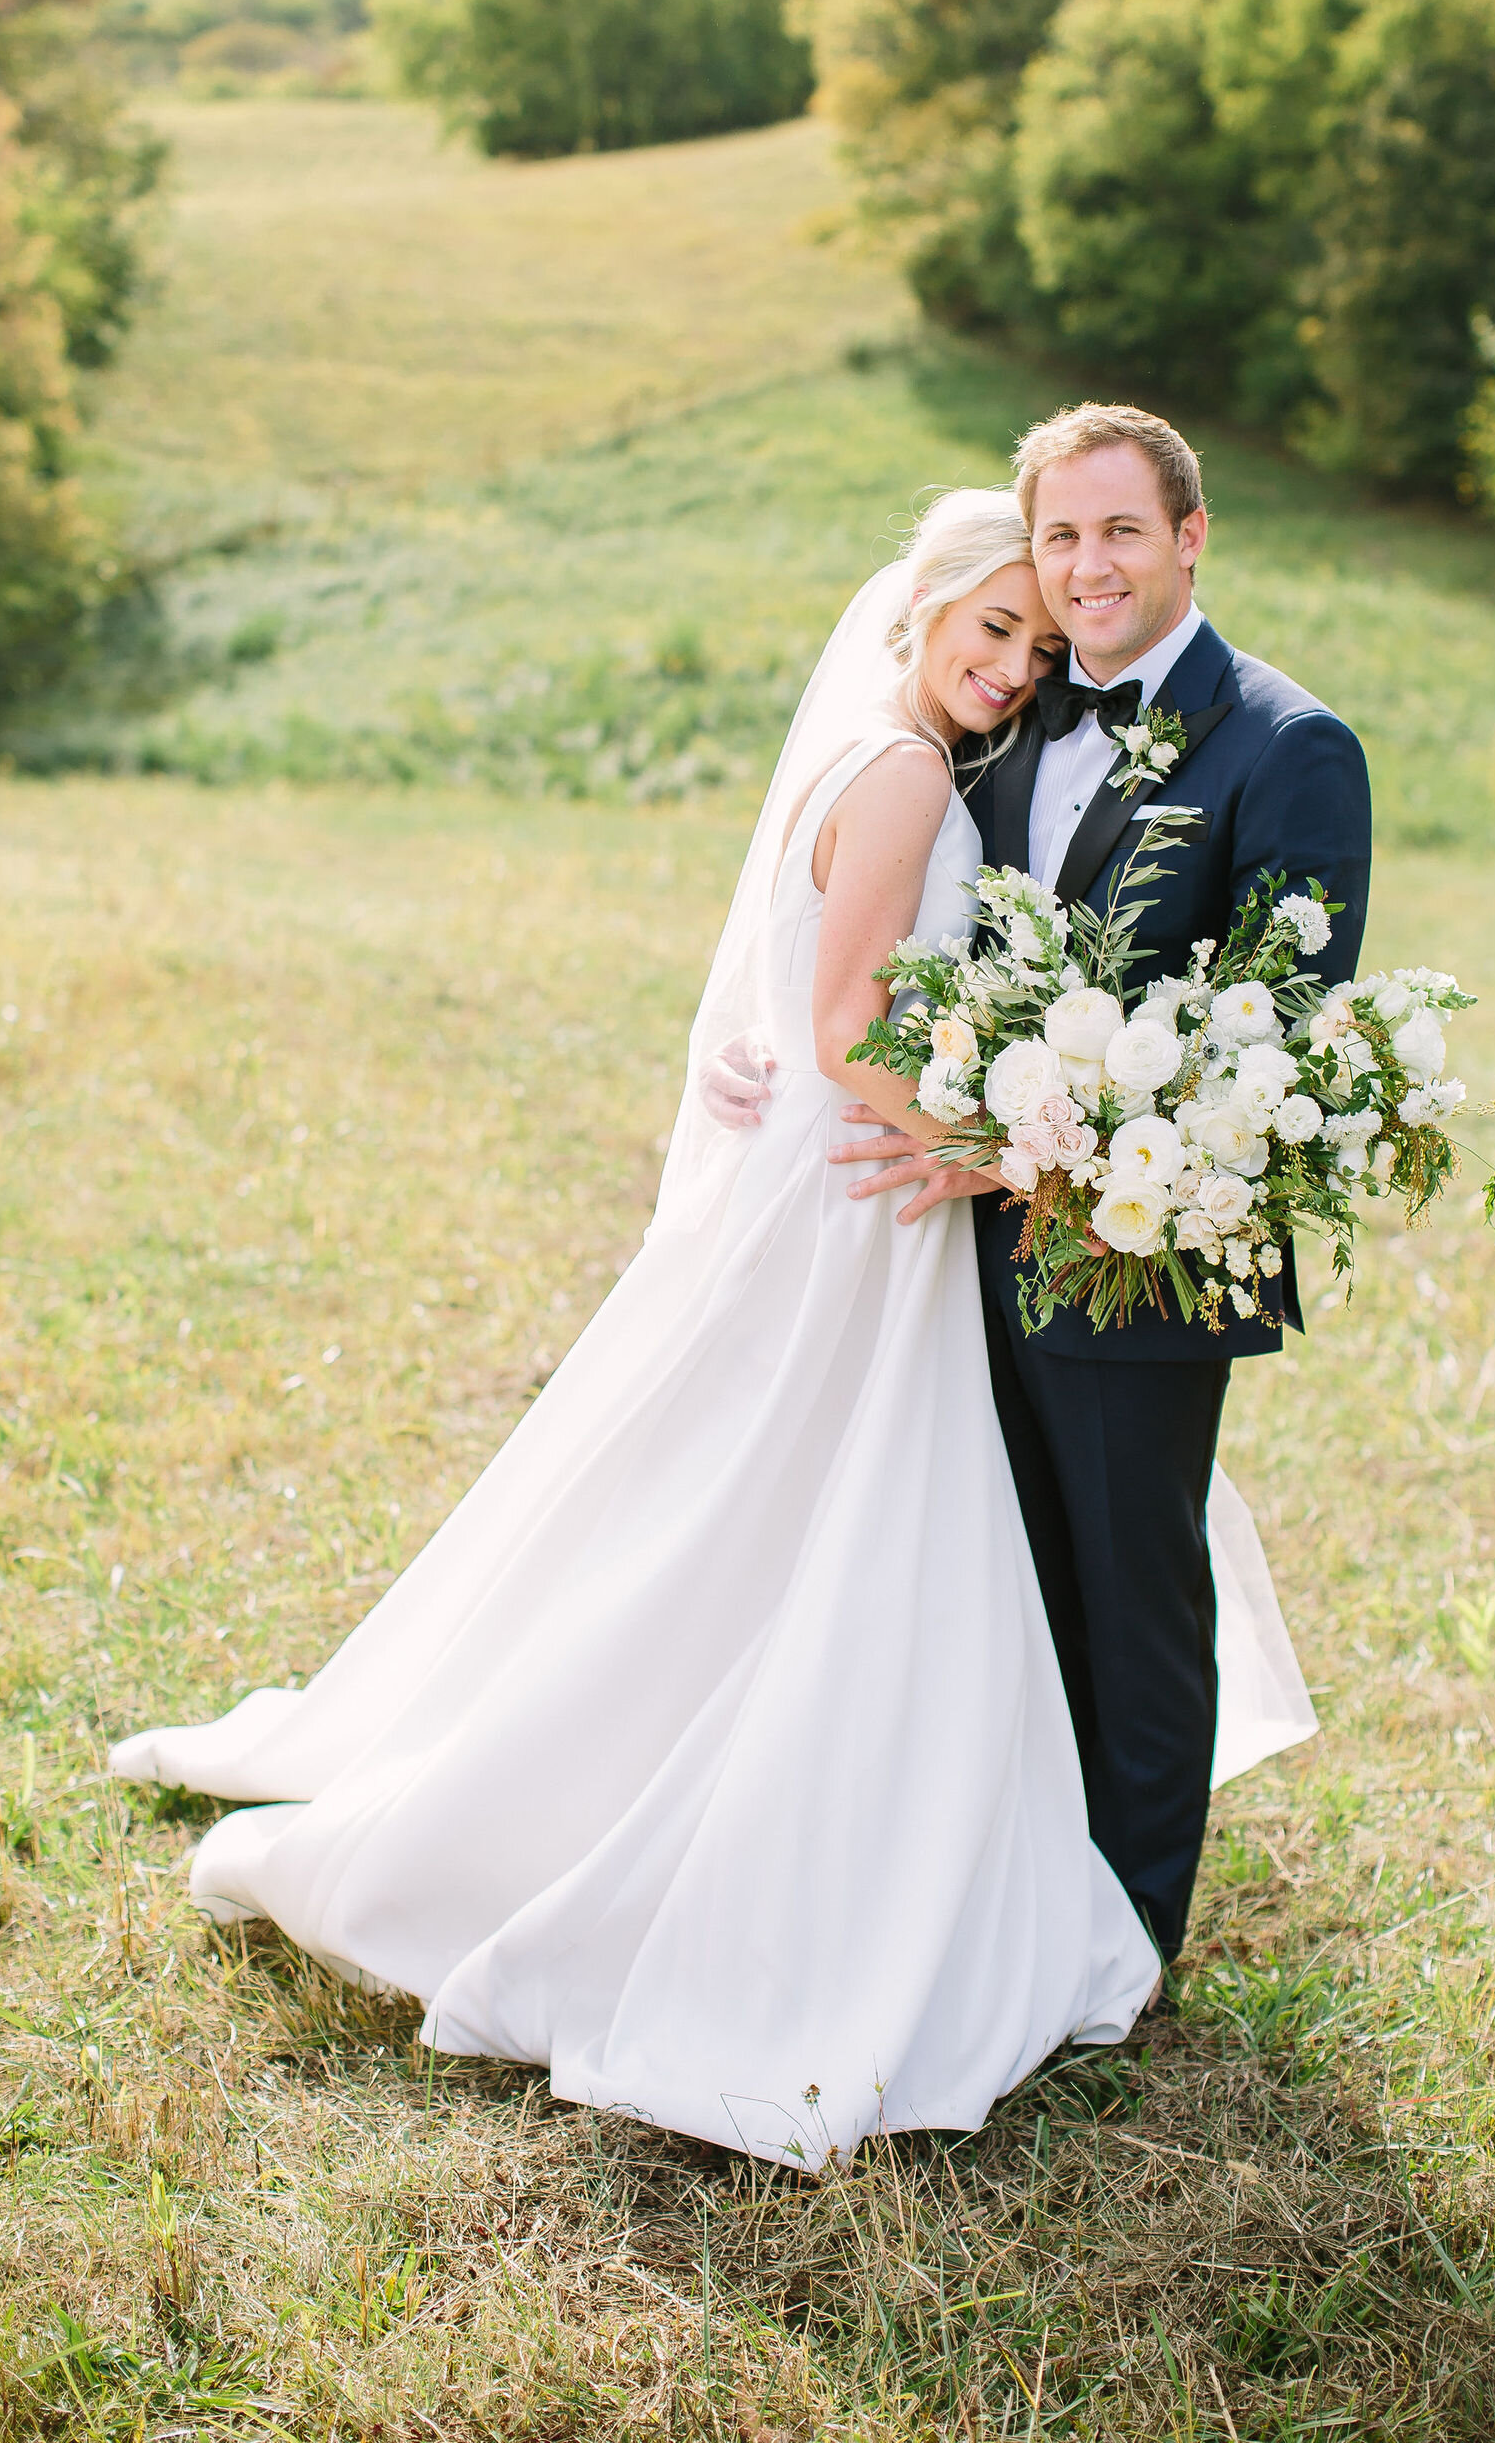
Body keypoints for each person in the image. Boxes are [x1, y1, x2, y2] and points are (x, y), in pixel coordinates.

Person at [113, 492, 1190, 2171]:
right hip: (859, 1198)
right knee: (788, 1516)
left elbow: (805, 995)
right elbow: (840, 1031)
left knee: (743, 1509)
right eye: (990, 630)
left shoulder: (865, 754)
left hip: (830, 1197)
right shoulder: (904, 774)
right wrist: (1008, 1145)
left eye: (1039, 650)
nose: (1010, 669)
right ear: (915, 613)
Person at [810, 405, 1370, 1968]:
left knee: (1132, 1585)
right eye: (1060, 535)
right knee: (1002, 1568)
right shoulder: (1004, 723)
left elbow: (1293, 1046)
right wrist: (771, 1058)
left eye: (1120, 530)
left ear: (1191, 537)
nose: (1087, 564)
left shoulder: (1285, 742)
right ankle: (1018, 1892)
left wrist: (1027, 1155)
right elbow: (904, 945)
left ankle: (1128, 1939)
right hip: (954, 1246)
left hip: (1141, 1249)